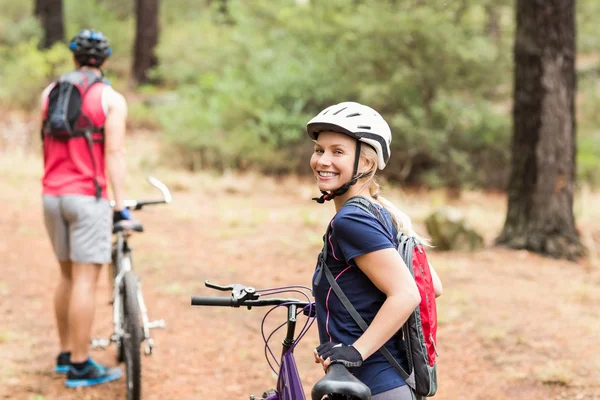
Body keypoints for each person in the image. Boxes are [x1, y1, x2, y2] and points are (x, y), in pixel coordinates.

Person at [308, 102, 443, 400]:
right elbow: (433, 285)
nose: (323, 160)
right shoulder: (379, 211)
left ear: (367, 163)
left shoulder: (351, 220)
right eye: (319, 150)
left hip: (372, 385)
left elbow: (409, 293)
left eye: (337, 151)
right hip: (391, 381)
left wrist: (356, 351)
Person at [41, 29, 131, 388]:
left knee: (65, 275)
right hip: (87, 197)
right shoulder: (111, 98)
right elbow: (115, 153)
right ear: (104, 60)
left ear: (74, 57)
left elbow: (44, 143)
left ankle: (66, 354)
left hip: (51, 195)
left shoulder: (49, 94)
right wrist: (120, 206)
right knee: (85, 280)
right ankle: (80, 365)